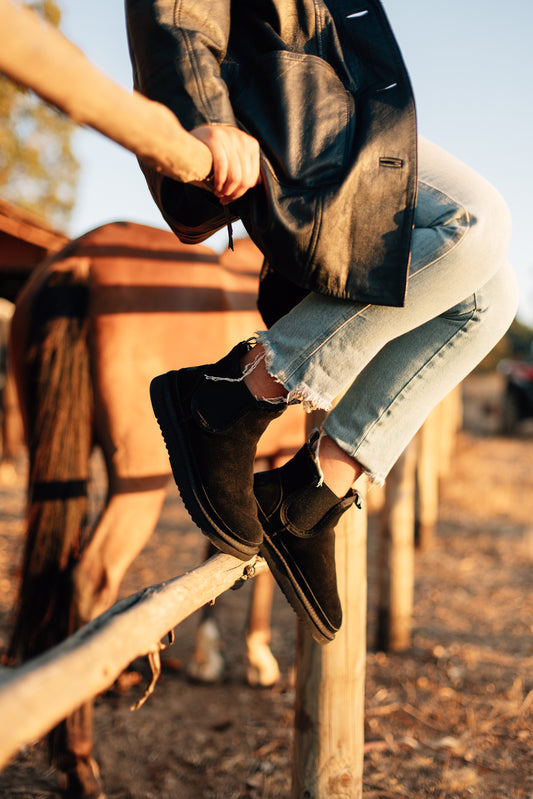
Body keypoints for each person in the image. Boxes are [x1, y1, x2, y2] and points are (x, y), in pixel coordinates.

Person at [126, 0, 519, 644]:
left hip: (334, 105)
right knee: (474, 219)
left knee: (490, 297)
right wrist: (203, 111)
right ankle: (232, 395)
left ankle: (308, 497)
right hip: (281, 103)